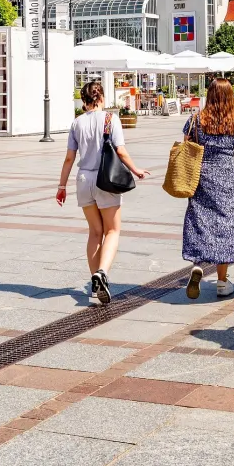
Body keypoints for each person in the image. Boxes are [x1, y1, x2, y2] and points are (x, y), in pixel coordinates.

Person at [57, 81, 149, 305]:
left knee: (94, 232)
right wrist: (136, 170)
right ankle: (102, 274)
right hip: (105, 179)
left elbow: (70, 158)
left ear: (84, 100)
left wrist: (61, 186)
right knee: (113, 230)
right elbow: (120, 150)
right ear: (101, 98)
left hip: (83, 179)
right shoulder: (110, 119)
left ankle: (95, 287)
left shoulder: (76, 123)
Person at [181, 78, 234, 299]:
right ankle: (222, 282)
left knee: (201, 223)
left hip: (201, 178)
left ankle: (198, 265)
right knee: (226, 227)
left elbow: (186, 149)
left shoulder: (195, 120)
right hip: (229, 179)